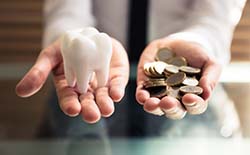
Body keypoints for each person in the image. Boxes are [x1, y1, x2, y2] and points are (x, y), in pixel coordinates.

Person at [16, 0, 246, 138]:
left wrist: (197, 43)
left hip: (198, 122)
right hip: (93, 88)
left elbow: (215, 17)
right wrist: (69, 38)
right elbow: (67, 10)